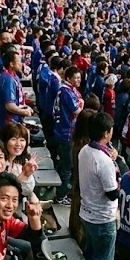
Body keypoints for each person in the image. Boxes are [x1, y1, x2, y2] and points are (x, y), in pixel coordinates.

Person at [77, 112, 120, 260]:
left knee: (91, 253)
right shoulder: (103, 160)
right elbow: (112, 193)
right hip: (102, 219)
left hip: (87, 212)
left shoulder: (85, 150)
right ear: (106, 133)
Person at [53, 66, 84, 204]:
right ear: (68, 78)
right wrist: (81, 104)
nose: (78, 80)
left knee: (64, 164)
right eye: (75, 78)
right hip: (66, 132)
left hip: (64, 130)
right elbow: (77, 110)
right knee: (67, 167)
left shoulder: (68, 89)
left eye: (79, 77)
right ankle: (60, 196)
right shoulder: (66, 91)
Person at [0, 48, 31, 130]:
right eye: (19, 61)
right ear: (11, 64)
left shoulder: (13, 75)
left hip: (14, 121)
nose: (21, 64)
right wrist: (24, 112)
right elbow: (10, 106)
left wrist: (25, 107)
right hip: (8, 123)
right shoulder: (8, 79)